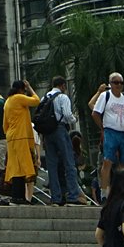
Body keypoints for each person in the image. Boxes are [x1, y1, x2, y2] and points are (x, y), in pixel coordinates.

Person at [40, 75, 85, 206]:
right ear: (63, 85)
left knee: (52, 165)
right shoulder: (62, 97)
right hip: (60, 129)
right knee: (69, 163)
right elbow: (67, 114)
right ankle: (72, 195)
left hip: (47, 133)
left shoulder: (44, 97)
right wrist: (74, 119)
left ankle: (56, 197)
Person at [91, 73, 124, 195]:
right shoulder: (105, 96)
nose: (119, 85)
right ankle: (104, 193)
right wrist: (102, 127)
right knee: (107, 161)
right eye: (116, 82)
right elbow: (95, 113)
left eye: (121, 83)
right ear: (110, 84)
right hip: (110, 131)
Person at [3, 80, 41, 204]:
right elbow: (36, 101)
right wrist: (29, 87)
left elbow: (5, 125)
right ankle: (19, 197)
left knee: (16, 167)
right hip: (20, 137)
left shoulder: (8, 101)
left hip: (11, 137)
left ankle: (17, 197)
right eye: (24, 90)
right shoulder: (18, 98)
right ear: (21, 89)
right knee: (23, 167)